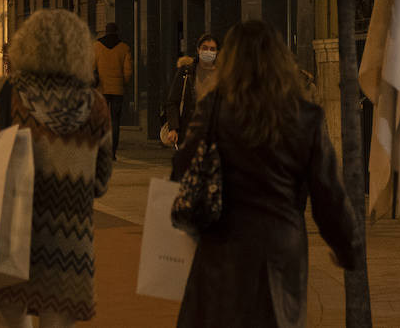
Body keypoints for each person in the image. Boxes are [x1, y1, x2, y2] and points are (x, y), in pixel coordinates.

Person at [173, 20, 360, 327]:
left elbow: (181, 167)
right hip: (280, 247)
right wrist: (346, 246)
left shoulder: (214, 109)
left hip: (222, 244)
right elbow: (328, 195)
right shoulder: (306, 117)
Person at [0, 9, 112, 328]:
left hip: (8, 239)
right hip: (70, 248)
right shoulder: (95, 106)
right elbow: (100, 182)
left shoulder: (1, 94)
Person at [162, 33, 219, 148]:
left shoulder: (222, 74)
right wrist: (173, 128)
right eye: (205, 48)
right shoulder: (186, 72)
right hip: (188, 131)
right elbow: (172, 102)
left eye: (212, 49)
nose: (208, 52)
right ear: (198, 50)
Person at [93, 21, 132, 158]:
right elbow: (128, 71)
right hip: (117, 90)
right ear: (117, 31)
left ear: (105, 31)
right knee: (115, 121)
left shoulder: (96, 46)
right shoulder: (124, 48)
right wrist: (122, 83)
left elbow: (91, 67)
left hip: (101, 89)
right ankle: (112, 152)